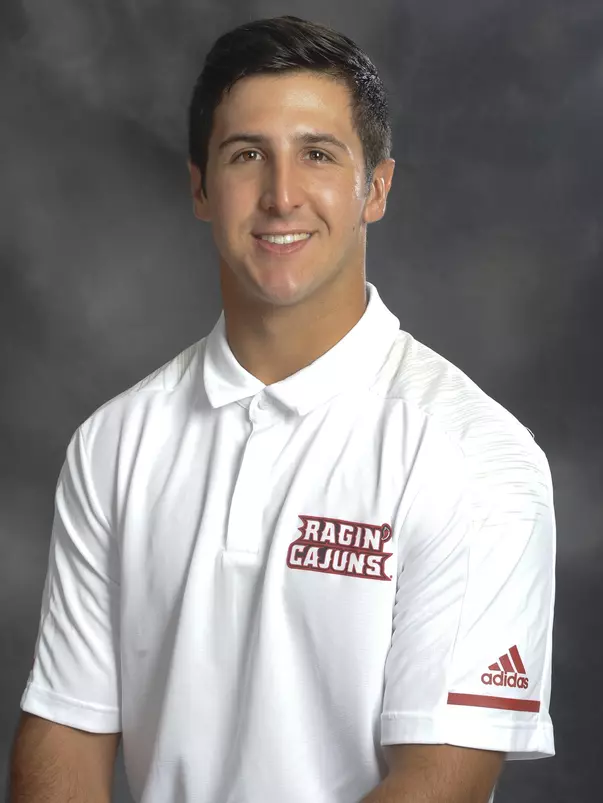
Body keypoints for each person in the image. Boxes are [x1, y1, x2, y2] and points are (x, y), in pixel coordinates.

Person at [8, 14, 556, 803]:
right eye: (245, 155)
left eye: (318, 154)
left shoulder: (475, 457)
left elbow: (442, 782)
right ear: (200, 187)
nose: (281, 195)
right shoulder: (115, 442)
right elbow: (66, 726)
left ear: (375, 189)